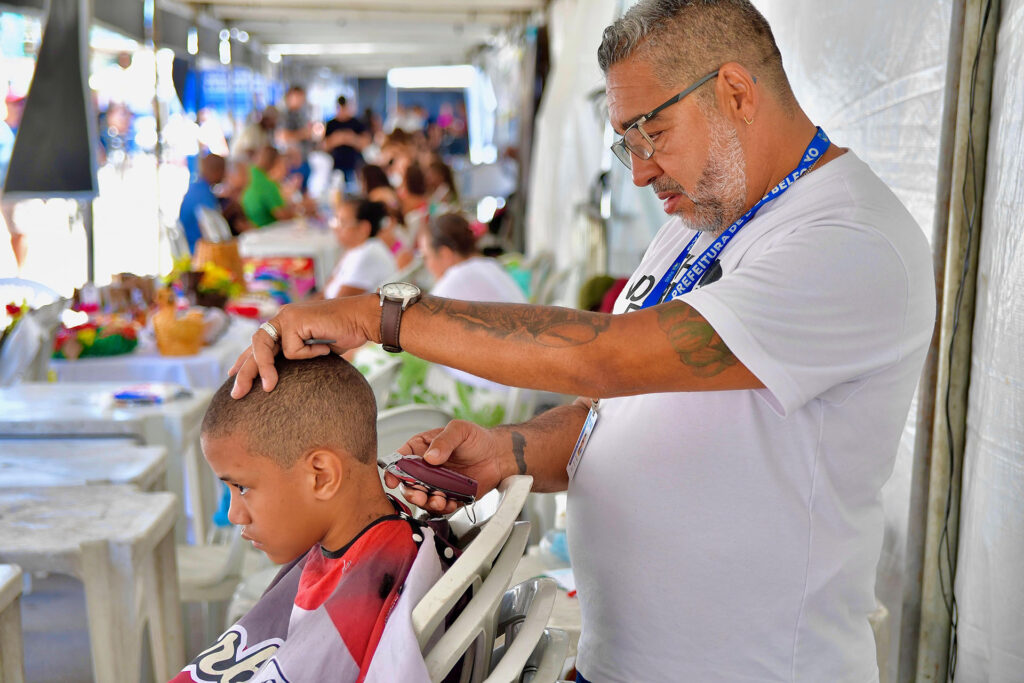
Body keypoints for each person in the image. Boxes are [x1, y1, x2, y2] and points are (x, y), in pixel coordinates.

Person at [230, 1, 936, 680]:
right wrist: (508, 450)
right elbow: (624, 403)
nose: (639, 170)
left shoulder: (850, 242)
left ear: (736, 91)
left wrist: (381, 317)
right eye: (624, 141)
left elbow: (603, 354)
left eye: (651, 132)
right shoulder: (706, 219)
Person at [170, 354, 449, 682]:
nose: (234, 514)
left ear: (321, 476)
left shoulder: (380, 583)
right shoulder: (361, 549)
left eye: (242, 487)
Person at [323, 198, 396, 299]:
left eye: (342, 223)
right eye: (336, 221)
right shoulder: (356, 249)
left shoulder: (368, 255)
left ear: (363, 228)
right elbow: (326, 291)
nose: (336, 228)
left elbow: (335, 304)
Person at [241, 145, 308, 228]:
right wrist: (304, 211)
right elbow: (283, 215)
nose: (287, 169)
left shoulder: (253, 176)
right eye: (284, 163)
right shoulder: (267, 185)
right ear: (277, 162)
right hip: (266, 232)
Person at [178, 153, 226, 252]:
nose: (224, 175)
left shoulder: (197, 187)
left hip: (191, 247)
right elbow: (215, 232)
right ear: (217, 170)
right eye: (223, 170)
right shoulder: (204, 195)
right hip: (198, 250)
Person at [324, 96, 370, 190]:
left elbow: (365, 143)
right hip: (336, 162)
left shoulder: (356, 123)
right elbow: (324, 145)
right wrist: (337, 139)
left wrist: (351, 139)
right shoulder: (331, 124)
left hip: (354, 162)